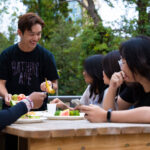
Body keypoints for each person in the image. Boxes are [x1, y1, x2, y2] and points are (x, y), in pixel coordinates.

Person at [77, 35, 150, 123]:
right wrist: (112, 87)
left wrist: (106, 115)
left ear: (138, 62)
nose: (121, 68)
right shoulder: (135, 86)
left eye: (123, 62)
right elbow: (112, 110)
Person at [0, 12, 59, 110]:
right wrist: (6, 95)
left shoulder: (47, 56)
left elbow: (55, 84)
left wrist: (50, 85)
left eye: (39, 34)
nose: (36, 38)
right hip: (11, 111)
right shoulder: (7, 55)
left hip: (39, 113)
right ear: (20, 33)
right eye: (31, 34)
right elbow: (1, 82)